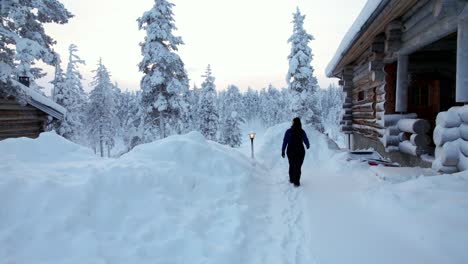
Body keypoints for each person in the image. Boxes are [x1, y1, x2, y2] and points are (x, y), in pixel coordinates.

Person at [281, 117, 310, 187]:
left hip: (290, 150)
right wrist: (307, 145)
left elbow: (285, 141)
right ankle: (296, 182)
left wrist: (283, 150)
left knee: (291, 165)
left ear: (293, 123)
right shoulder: (302, 131)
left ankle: (291, 179)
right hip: (300, 150)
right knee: (298, 166)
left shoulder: (288, 131)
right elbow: (306, 140)